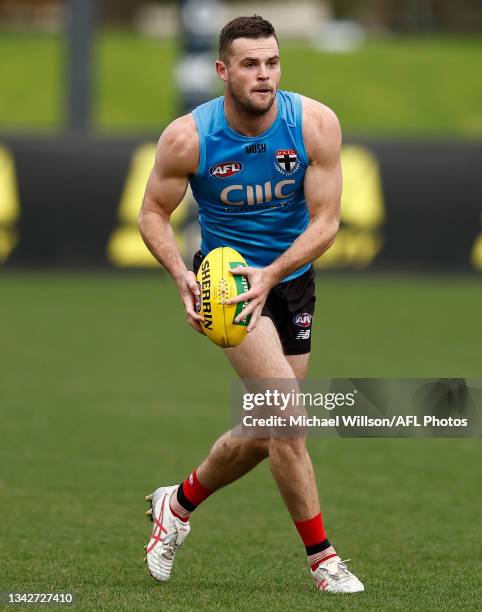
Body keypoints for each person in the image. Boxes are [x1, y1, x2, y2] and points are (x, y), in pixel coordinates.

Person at [138, 15, 364, 594]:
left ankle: (178, 504)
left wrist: (276, 273)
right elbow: (152, 213)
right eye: (249, 64)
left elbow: (327, 223)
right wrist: (179, 275)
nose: (264, 75)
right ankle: (323, 560)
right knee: (288, 422)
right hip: (230, 287)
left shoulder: (313, 123)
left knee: (266, 432)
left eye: (272, 63)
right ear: (223, 71)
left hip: (291, 280)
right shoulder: (189, 137)